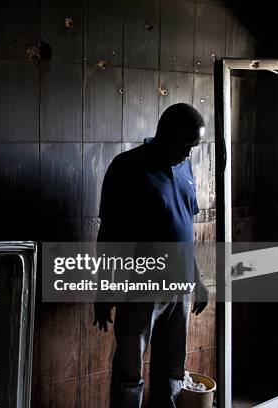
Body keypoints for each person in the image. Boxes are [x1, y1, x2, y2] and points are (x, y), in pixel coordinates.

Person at [93, 103, 209, 407]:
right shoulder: (127, 167)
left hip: (179, 288)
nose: (189, 154)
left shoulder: (184, 166)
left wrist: (197, 279)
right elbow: (109, 236)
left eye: (194, 147)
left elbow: (185, 227)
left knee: (172, 370)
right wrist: (104, 291)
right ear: (167, 135)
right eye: (186, 145)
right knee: (130, 374)